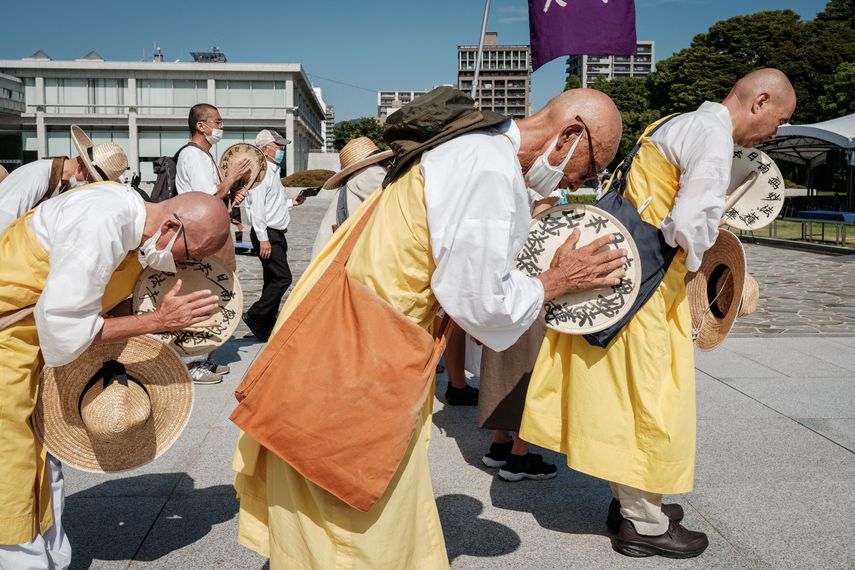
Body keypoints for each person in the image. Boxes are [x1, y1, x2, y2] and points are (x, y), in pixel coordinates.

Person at [231, 88, 626, 568]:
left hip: (358, 339)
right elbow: (479, 301)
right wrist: (556, 281)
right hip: (364, 355)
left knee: (351, 504)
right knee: (351, 516)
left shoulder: (468, 146)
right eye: (588, 168)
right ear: (569, 135)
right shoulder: (486, 164)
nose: (578, 180)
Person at [520, 69, 797, 559]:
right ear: (759, 102)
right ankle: (644, 523)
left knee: (625, 398)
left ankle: (629, 504)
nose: (775, 133)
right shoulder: (712, 136)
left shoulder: (675, 122)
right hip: (648, 291)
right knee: (650, 404)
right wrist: (706, 264)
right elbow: (688, 224)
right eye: (780, 119)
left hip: (628, 276)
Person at [0, 183, 230, 569]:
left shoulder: (138, 233)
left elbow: (101, 304)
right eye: (190, 256)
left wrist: (159, 317)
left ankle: (50, 556)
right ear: (171, 227)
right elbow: (64, 329)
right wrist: (157, 320)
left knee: (44, 457)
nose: (183, 266)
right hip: (8, 340)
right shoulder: (101, 222)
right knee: (11, 459)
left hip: (32, 346)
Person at [175, 103, 250, 383]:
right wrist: (231, 178)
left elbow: (215, 197)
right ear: (201, 126)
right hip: (200, 237)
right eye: (217, 122)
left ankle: (205, 357)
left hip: (212, 236)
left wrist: (231, 195)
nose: (221, 127)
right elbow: (205, 198)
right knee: (201, 293)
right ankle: (193, 362)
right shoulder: (193, 156)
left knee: (214, 293)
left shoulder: (204, 156)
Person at [0, 125, 128, 233]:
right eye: (92, 181)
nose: (90, 187)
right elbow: (4, 219)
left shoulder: (63, 184)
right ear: (80, 168)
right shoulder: (34, 176)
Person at [242, 129, 304, 341]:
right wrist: (263, 239)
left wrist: (291, 203)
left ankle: (265, 325)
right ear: (265, 149)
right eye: (278, 146)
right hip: (267, 233)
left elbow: (272, 204)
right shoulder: (262, 172)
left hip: (275, 232)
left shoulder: (273, 171)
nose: (282, 150)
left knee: (271, 279)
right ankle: (255, 315)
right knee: (283, 277)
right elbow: (257, 209)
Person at [310, 136, 391, 259]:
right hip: (343, 253)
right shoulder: (369, 172)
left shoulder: (356, 175)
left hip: (329, 249)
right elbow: (394, 198)